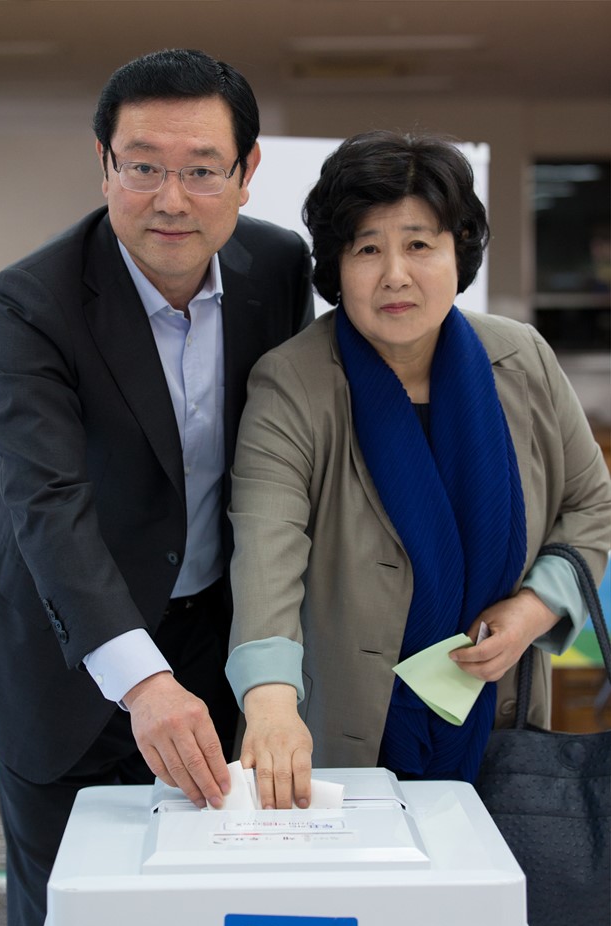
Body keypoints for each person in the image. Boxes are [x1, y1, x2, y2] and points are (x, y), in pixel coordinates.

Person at [0, 48, 313, 926]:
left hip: (209, 636)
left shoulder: (278, 268)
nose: (171, 199)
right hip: (65, 645)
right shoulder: (30, 300)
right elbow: (47, 502)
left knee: (209, 911)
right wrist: (141, 681)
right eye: (143, 166)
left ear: (247, 170)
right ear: (104, 164)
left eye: (202, 169)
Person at [225, 130, 611, 810]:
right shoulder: (293, 382)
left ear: (458, 252)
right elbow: (266, 553)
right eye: (367, 249)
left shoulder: (521, 358)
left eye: (420, 244)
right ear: (336, 265)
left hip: (501, 722)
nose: (395, 274)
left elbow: (592, 505)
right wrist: (271, 702)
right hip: (340, 737)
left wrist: (533, 610)